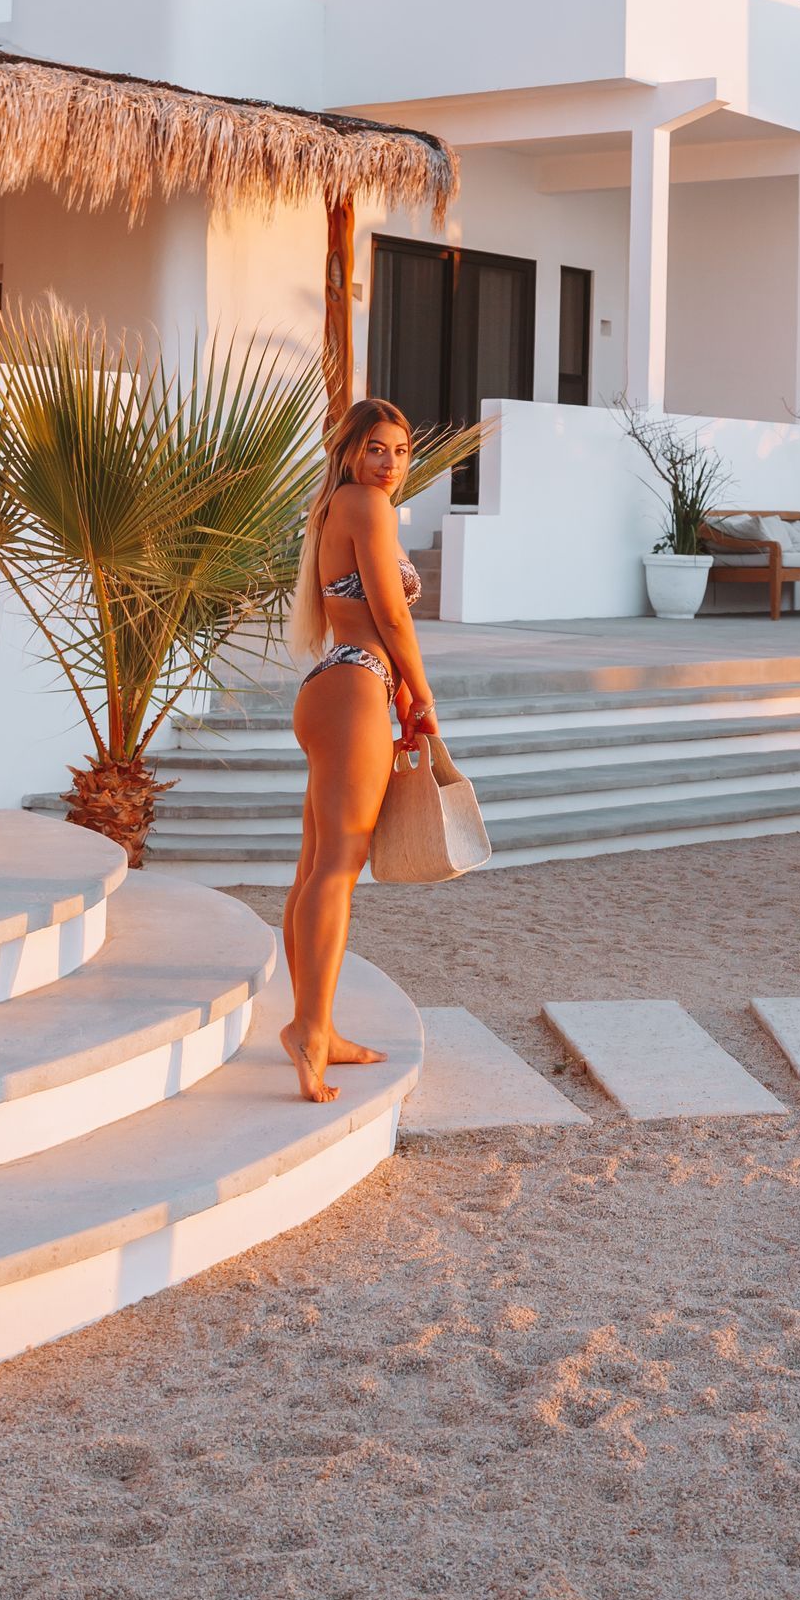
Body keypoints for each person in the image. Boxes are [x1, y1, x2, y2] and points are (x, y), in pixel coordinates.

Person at [282, 396, 439, 1102]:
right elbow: (390, 615)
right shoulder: (365, 507)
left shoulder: (336, 507)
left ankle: (315, 1025)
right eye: (377, 447)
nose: (390, 463)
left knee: (317, 867)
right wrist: (424, 695)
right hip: (354, 687)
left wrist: (400, 702)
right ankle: (312, 1032)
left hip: (338, 686)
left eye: (401, 451)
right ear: (349, 450)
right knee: (337, 870)